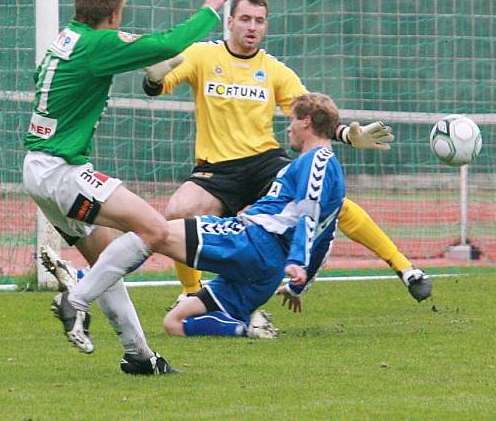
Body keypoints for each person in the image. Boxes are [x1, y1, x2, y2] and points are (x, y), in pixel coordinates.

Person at [142, 0, 431, 307]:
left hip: (265, 163)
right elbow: (160, 83)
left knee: (335, 204)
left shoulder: (274, 70)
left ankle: (406, 269)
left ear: (265, 26)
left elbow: (314, 116)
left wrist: (349, 134)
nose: (252, 27)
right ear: (230, 22)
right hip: (217, 170)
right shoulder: (201, 55)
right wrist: (154, 80)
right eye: (245, 19)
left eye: (259, 21)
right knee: (177, 214)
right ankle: (191, 293)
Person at [23, 0, 238, 375]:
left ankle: (140, 356)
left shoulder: (66, 39)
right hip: (62, 170)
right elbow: (169, 44)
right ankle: (76, 299)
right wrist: (210, 7)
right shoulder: (97, 44)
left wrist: (150, 60)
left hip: (39, 168)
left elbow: (129, 55)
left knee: (108, 260)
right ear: (113, 13)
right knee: (154, 231)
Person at [57, 93, 346, 347]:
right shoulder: (331, 173)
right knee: (175, 322)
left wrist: (296, 260)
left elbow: (309, 213)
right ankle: (246, 328)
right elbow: (326, 235)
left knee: (153, 231)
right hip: (265, 275)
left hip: (251, 242)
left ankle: (79, 294)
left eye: (293, 120)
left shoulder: (316, 161)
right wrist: (298, 286)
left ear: (306, 121)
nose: (289, 127)